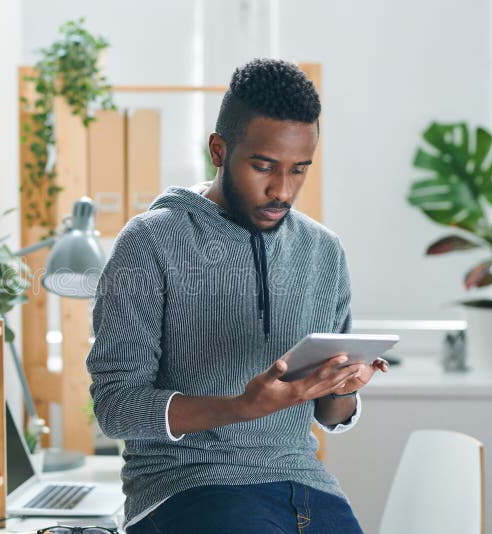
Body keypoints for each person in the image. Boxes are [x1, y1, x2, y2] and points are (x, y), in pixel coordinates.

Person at [86, 58, 388, 534]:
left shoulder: (324, 252)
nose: (282, 191)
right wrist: (241, 408)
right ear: (219, 150)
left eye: (299, 171)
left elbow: (330, 416)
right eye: (263, 167)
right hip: (184, 486)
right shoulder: (150, 242)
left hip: (304, 483)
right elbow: (117, 406)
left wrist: (343, 388)